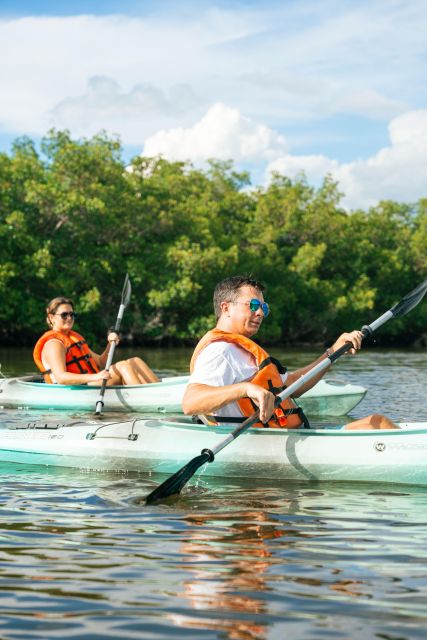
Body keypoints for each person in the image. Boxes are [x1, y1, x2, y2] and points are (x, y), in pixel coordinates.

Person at [182, 275, 398, 430]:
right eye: (253, 305)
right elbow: (191, 402)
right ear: (226, 307)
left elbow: (293, 385)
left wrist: (333, 351)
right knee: (379, 424)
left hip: (284, 438)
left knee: (378, 423)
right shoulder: (220, 351)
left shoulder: (242, 350)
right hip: (264, 445)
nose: (260, 313)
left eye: (264, 308)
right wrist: (246, 389)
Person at [33, 296, 159, 386]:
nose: (69, 318)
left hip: (89, 383)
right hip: (74, 389)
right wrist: (96, 376)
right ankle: (142, 397)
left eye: (72, 314)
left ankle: (158, 391)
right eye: (64, 315)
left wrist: (110, 345)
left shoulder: (74, 338)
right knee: (122, 366)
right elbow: (61, 378)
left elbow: (101, 363)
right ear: (51, 317)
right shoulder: (54, 344)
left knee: (135, 360)